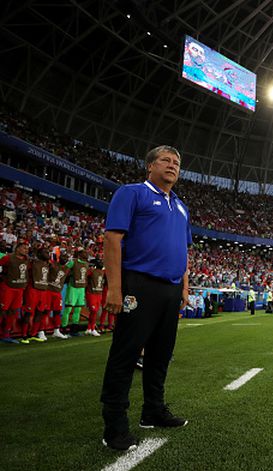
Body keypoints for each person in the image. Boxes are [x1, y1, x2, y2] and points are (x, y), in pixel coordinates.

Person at [100, 145, 191, 451]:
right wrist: (115, 288)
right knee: (126, 354)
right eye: (165, 160)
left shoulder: (180, 205)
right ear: (150, 166)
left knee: (160, 355)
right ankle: (114, 427)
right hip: (138, 284)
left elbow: (184, 248)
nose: (172, 165)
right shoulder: (133, 192)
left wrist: (184, 286)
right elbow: (113, 238)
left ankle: (153, 410)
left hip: (170, 288)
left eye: (176, 162)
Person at [20, 244, 51, 343]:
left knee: (39, 312)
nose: (48, 254)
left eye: (48, 252)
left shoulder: (48, 264)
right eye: (45, 252)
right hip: (33, 290)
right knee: (28, 312)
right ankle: (24, 335)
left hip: (43, 290)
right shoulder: (32, 263)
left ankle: (32, 334)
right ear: (39, 254)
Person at [0, 241, 30, 344]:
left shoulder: (27, 260)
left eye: (27, 248)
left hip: (19, 289)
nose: (26, 250)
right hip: (8, 288)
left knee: (13, 311)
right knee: (2, 310)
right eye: (24, 248)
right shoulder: (8, 258)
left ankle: (6, 334)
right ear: (17, 248)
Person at [62, 247, 89, 336]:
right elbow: (64, 270)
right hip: (73, 287)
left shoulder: (86, 264)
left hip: (81, 288)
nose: (86, 254)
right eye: (84, 252)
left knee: (78, 309)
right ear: (79, 254)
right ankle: (63, 329)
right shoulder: (73, 261)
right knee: (68, 308)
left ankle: (74, 330)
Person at [46, 252, 70, 339]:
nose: (65, 259)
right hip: (49, 290)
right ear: (59, 258)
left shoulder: (67, 269)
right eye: (63, 257)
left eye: (66, 257)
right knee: (46, 311)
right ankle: (41, 331)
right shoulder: (52, 264)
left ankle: (56, 330)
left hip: (57, 292)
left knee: (57, 311)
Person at [85, 259, 105, 337]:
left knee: (94, 312)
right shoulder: (92, 271)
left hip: (99, 293)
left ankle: (89, 328)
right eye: (100, 262)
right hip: (91, 293)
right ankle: (93, 329)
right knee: (93, 311)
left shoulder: (103, 272)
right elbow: (85, 276)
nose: (101, 263)